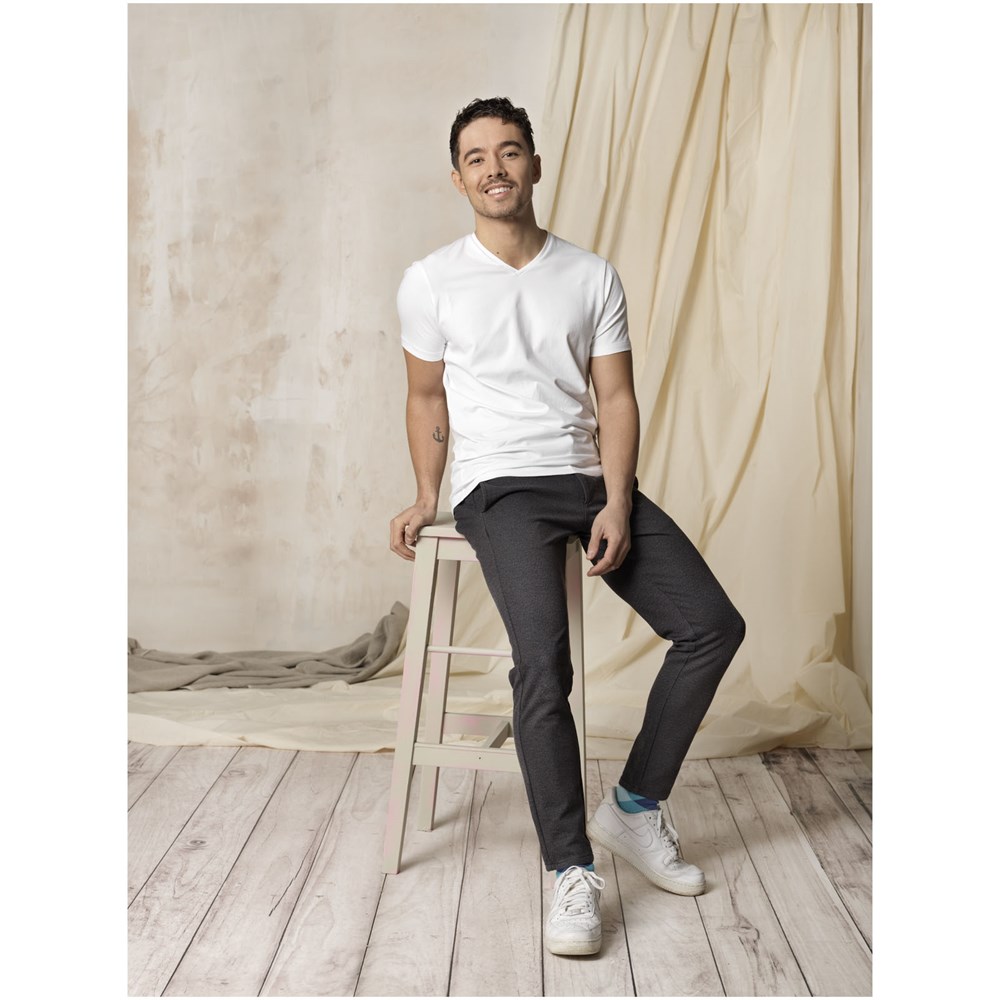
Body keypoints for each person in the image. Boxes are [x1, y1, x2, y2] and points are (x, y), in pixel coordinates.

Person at [389, 97, 745, 957]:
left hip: (587, 481)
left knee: (711, 626)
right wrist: (428, 494)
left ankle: (633, 807)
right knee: (543, 665)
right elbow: (426, 396)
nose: (495, 168)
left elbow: (615, 398)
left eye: (510, 152)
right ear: (458, 179)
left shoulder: (589, 276)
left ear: (535, 166)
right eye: (477, 157)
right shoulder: (432, 280)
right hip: (499, 489)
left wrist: (617, 501)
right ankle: (569, 869)